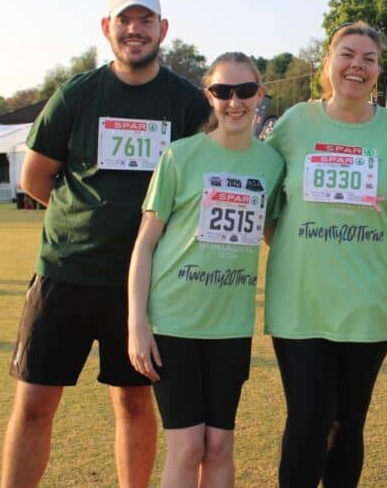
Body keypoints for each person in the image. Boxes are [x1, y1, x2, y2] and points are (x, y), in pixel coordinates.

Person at [1, 0, 210, 488]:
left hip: (141, 284)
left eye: (145, 21)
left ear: (163, 29)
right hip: (64, 273)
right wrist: (84, 220)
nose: (135, 30)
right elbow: (35, 178)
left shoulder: (187, 103)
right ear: (106, 28)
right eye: (124, 20)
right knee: (34, 400)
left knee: (134, 401)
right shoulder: (77, 94)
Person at [263, 21, 387, 487]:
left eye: (369, 59)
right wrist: (288, 243)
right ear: (328, 62)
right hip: (301, 304)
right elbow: (261, 193)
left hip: (369, 304)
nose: (357, 66)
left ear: (379, 71)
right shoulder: (294, 124)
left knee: (349, 422)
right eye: (347, 54)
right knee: (308, 419)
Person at [127, 52, 283, 487]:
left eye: (245, 91)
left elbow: (276, 234)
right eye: (222, 91)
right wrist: (136, 324)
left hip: (230, 325)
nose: (234, 102)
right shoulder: (180, 156)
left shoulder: (272, 164)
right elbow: (144, 244)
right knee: (187, 447)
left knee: (218, 446)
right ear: (209, 96)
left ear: (260, 94)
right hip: (173, 322)